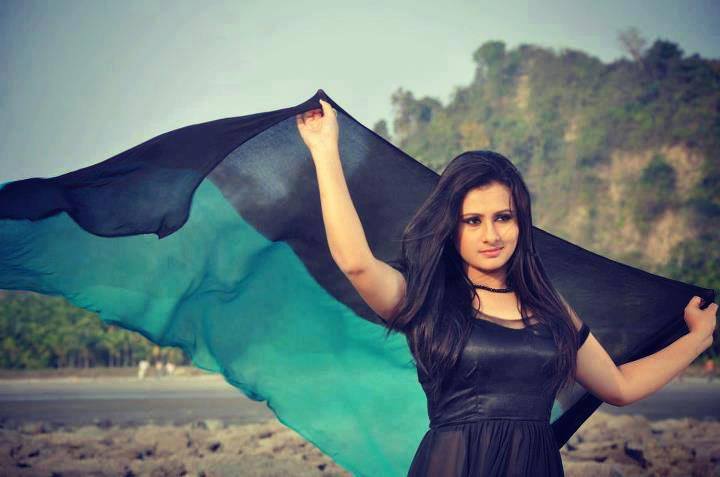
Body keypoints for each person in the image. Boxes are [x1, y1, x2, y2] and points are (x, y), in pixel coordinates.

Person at [296, 99, 718, 476]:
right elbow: (356, 263)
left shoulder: (549, 307)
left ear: (521, 222)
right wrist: (325, 150)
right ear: (451, 227)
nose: (491, 235)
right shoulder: (426, 298)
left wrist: (698, 338)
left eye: (503, 217)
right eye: (473, 221)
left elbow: (620, 386)